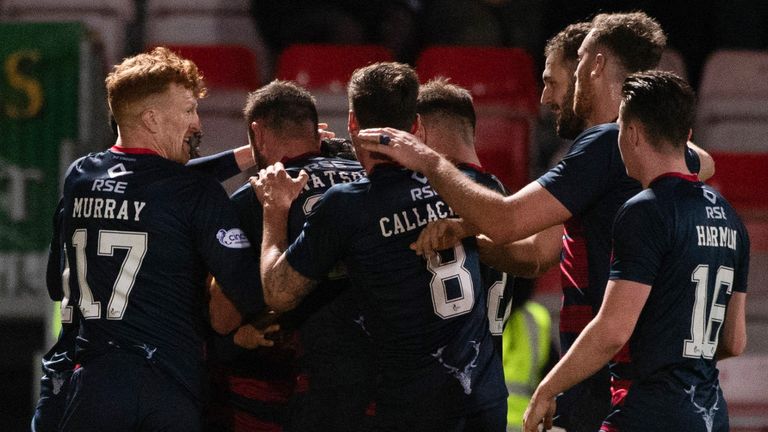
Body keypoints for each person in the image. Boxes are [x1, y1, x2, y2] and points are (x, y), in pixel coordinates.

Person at [357, 11, 715, 432]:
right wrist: (471, 235)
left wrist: (429, 162)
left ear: (595, 65)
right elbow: (537, 255)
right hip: (660, 374)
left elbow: (508, 221)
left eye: (559, 77)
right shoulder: (656, 152)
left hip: (608, 372)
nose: (545, 99)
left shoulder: (602, 145)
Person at [254, 62, 507, 431]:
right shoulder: (470, 185)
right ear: (416, 126)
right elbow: (535, 251)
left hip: (412, 408)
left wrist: (275, 212)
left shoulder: (347, 205)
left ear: (352, 123)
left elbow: (277, 293)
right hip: (484, 401)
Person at [54, 47, 267, 431]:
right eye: (188, 110)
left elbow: (148, 181)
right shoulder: (194, 194)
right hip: (165, 385)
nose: (197, 123)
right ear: (151, 119)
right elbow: (248, 292)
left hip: (90, 384)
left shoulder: (79, 176)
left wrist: (244, 156)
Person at [523, 70, 749, 432]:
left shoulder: (645, 209)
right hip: (710, 415)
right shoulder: (730, 217)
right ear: (687, 138)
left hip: (650, 412)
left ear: (631, 134)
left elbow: (613, 331)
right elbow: (735, 341)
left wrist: (547, 389)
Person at [33, 140, 259, 432]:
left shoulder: (77, 188)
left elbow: (54, 286)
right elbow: (175, 183)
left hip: (68, 368)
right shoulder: (173, 198)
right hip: (145, 371)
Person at [205, 80, 371, 432]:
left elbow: (223, 316)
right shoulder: (370, 181)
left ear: (258, 134)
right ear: (316, 130)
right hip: (387, 377)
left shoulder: (254, 200)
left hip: (305, 386)